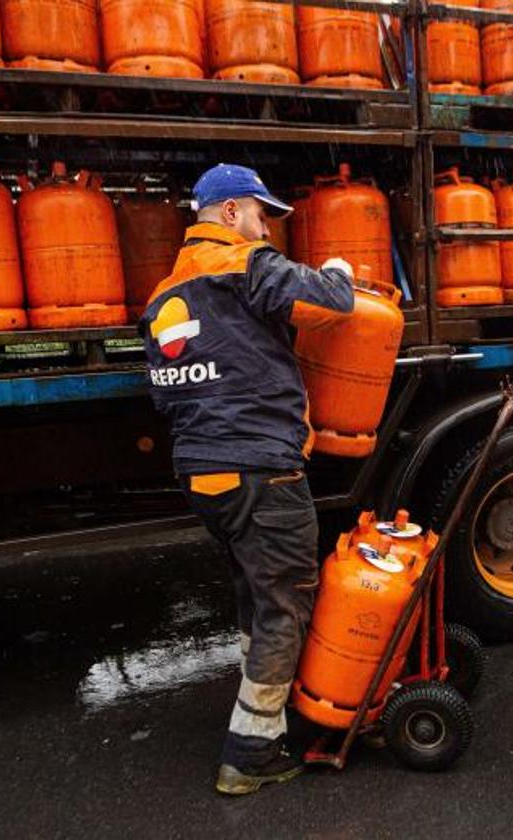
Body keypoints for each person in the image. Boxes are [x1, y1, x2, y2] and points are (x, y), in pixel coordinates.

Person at [139, 164, 355, 796]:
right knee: (286, 601)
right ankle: (251, 752)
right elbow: (331, 302)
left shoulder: (164, 295)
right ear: (231, 213)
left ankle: (264, 711)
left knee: (256, 595)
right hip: (263, 468)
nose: (268, 231)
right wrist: (338, 271)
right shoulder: (245, 265)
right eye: (263, 217)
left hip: (203, 471)